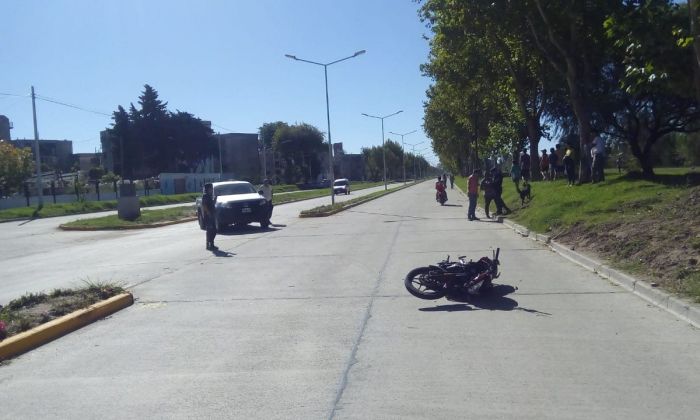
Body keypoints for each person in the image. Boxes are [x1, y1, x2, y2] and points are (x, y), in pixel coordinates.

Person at [201, 183, 218, 250]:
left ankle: (212, 244)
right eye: (211, 188)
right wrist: (208, 213)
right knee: (210, 231)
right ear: (207, 189)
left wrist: (215, 199)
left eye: (212, 188)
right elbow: (204, 205)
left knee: (214, 230)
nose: (212, 190)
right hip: (208, 216)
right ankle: (208, 245)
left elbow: (212, 204)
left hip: (212, 215)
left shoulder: (209, 195)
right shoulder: (205, 196)